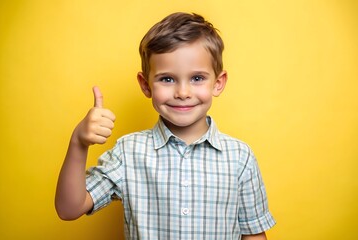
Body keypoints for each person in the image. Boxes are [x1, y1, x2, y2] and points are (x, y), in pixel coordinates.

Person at [55, 12, 276, 239]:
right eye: (167, 79)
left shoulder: (240, 157)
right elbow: (69, 208)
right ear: (145, 84)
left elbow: (254, 235)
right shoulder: (128, 152)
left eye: (197, 78)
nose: (182, 93)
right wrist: (78, 142)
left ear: (218, 83)